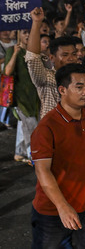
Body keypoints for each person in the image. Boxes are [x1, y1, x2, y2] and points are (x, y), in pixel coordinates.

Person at [30, 64, 85, 248]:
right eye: (79, 87)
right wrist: (62, 207)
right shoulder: (46, 128)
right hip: (52, 211)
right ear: (62, 90)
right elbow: (43, 172)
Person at [26, 8, 78, 119]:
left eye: (74, 54)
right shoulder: (47, 78)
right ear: (52, 58)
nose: (71, 58)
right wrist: (36, 23)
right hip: (53, 131)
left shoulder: (81, 78)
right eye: (65, 55)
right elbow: (33, 58)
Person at [4, 30, 40, 164]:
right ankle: (34, 156)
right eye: (25, 32)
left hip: (34, 96)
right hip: (20, 97)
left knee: (27, 125)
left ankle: (21, 152)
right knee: (31, 126)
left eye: (31, 33)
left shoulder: (35, 52)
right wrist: (14, 54)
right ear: (19, 34)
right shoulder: (12, 51)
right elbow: (7, 72)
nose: (28, 36)